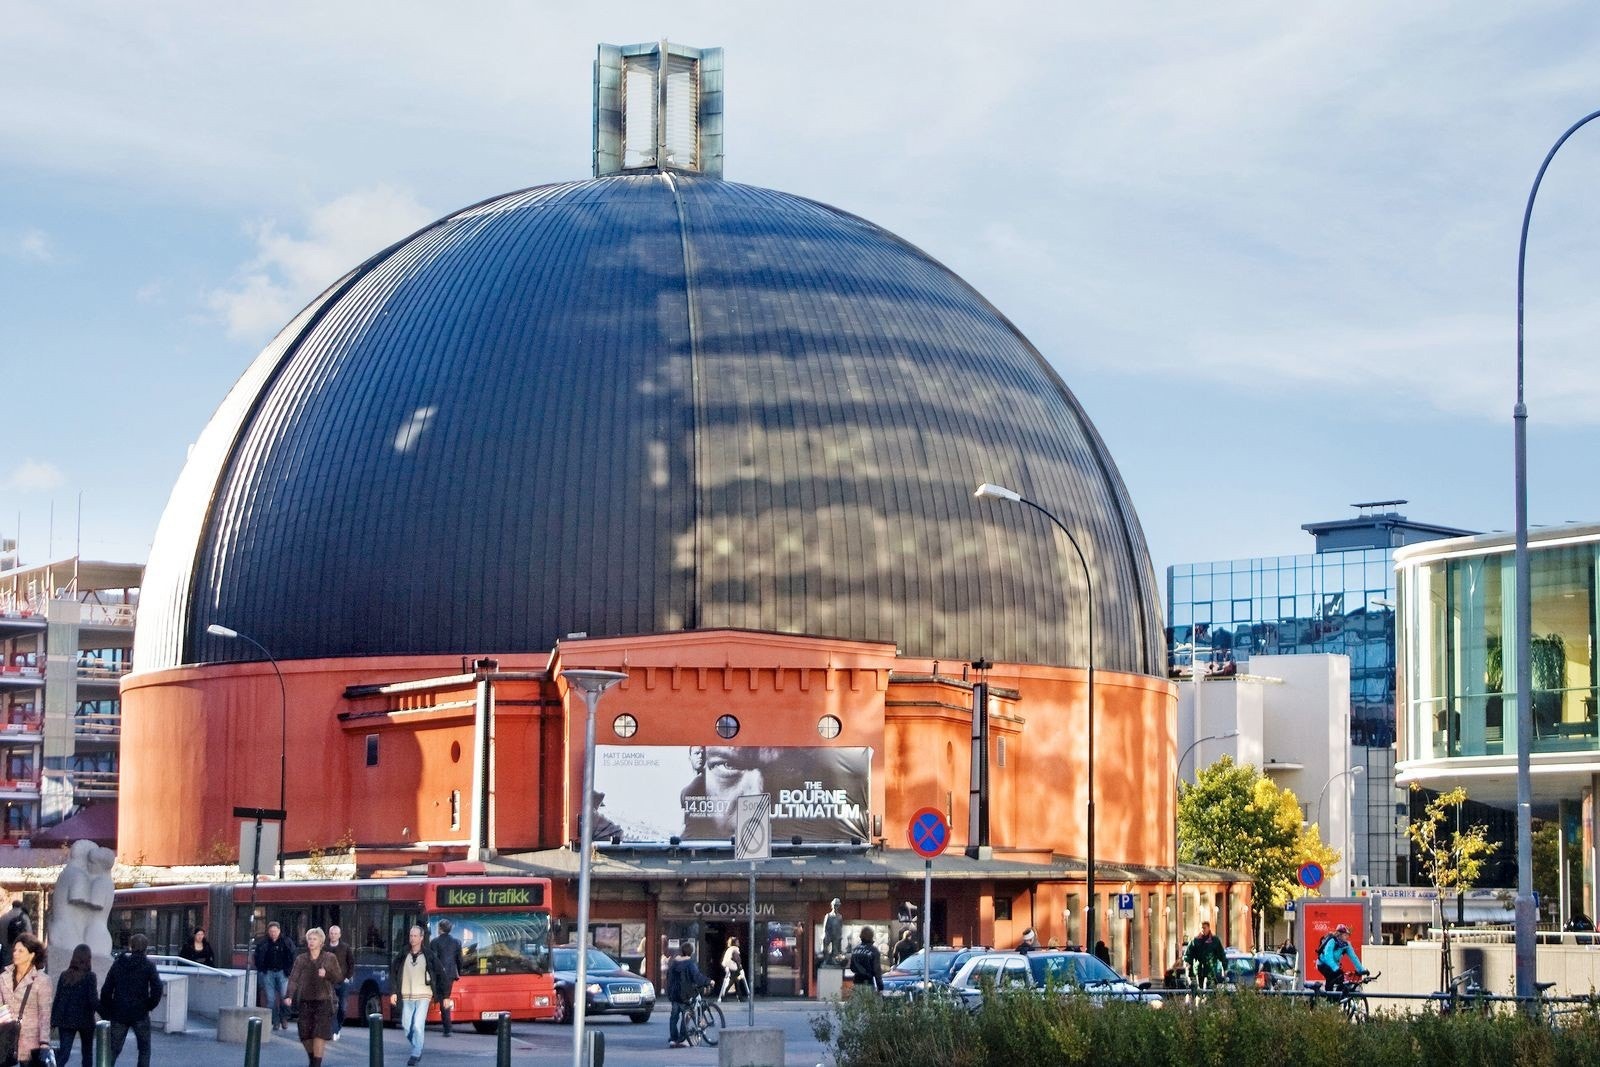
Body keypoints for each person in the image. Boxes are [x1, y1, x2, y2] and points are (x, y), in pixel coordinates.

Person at [284, 927, 344, 1067]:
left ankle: (316, 1064)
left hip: (324, 1001)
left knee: (319, 1034)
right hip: (305, 1001)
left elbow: (338, 978)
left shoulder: (329, 958)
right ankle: (313, 1059)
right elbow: (293, 978)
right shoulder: (301, 959)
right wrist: (289, 995)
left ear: (321, 942)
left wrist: (327, 974)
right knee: (305, 1035)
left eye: (314, 939)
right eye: (309, 939)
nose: (311, 942)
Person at [99, 932, 161, 1067]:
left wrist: (110, 1008)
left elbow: (106, 990)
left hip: (119, 1012)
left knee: (112, 1050)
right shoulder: (148, 965)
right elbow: (157, 989)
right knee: (144, 1049)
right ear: (146, 948)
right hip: (140, 1012)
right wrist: (149, 1005)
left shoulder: (118, 964)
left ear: (131, 946)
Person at [389, 925, 441, 1067]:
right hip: (407, 995)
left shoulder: (429, 954)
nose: (412, 939)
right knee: (406, 1025)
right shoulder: (403, 953)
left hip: (424, 994)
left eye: (415, 936)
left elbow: (440, 973)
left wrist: (444, 995)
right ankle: (417, 1045)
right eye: (411, 936)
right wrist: (393, 992)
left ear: (421, 938)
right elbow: (393, 971)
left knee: (418, 1025)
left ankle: (416, 1053)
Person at [1, 933, 52, 1067]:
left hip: (31, 1045)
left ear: (31, 955)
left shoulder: (42, 980)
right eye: (15, 950)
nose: (15, 954)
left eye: (21, 951)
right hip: (6, 1041)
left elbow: (44, 1014)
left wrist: (44, 1043)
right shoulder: (3, 978)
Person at [52, 943, 99, 1067]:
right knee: (87, 1055)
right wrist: (106, 1013)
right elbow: (93, 1000)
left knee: (64, 1054)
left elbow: (58, 999)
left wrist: (53, 1021)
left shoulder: (65, 976)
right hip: (85, 1020)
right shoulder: (90, 977)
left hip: (66, 1019)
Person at [665, 942, 708, 1049]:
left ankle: (673, 1039)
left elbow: (668, 978)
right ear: (691, 952)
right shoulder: (690, 964)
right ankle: (682, 1039)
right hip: (685, 995)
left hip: (674, 995)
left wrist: (669, 992)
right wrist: (708, 981)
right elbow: (697, 977)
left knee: (674, 1018)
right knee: (686, 1017)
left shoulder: (673, 963)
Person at [254, 921, 296, 1030]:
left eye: (275, 931)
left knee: (284, 997)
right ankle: (275, 1021)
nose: (273, 933)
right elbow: (257, 956)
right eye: (271, 931)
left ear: (279, 931)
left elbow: (293, 955)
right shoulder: (263, 942)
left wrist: (289, 970)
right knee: (270, 999)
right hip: (268, 972)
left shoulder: (286, 941)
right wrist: (261, 968)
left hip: (283, 972)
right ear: (268, 931)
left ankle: (284, 1018)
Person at [429, 919, 463, 1037]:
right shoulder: (456, 942)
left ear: (440, 929)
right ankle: (447, 1027)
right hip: (450, 975)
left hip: (439, 974)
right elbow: (459, 960)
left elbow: (433, 959)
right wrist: (458, 972)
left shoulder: (435, 942)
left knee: (441, 997)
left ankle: (447, 1027)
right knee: (445, 997)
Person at [1315, 923, 1369, 996]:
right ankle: (1330, 998)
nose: (1347, 937)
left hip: (1333, 965)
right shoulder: (1332, 941)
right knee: (1332, 977)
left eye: (1348, 935)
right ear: (1339, 934)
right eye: (1345, 935)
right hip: (1322, 963)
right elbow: (1328, 956)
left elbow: (1354, 957)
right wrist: (1335, 968)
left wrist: (1361, 970)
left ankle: (1336, 998)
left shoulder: (1346, 945)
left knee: (1341, 980)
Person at [325, 925, 354, 1041]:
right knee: (331, 1007)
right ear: (329, 935)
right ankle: (334, 1030)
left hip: (343, 981)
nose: (333, 936)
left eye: (336, 934)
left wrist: (348, 977)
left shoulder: (345, 948)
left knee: (343, 1007)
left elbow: (351, 963)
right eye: (332, 933)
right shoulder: (325, 948)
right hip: (329, 982)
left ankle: (338, 1027)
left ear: (339, 935)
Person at [1184, 921, 1226, 990]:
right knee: (1199, 989)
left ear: (1208, 928)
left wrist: (1224, 968)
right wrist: (1188, 965)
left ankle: (1209, 995)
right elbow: (1188, 954)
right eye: (1201, 928)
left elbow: (1221, 954)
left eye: (1204, 928)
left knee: (1210, 988)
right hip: (1199, 969)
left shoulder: (1215, 940)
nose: (1203, 930)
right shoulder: (1195, 940)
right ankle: (1200, 995)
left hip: (1211, 969)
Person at [848, 927, 883, 993]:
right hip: (868, 982)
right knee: (867, 999)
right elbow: (877, 970)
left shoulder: (855, 949)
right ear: (871, 936)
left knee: (857, 999)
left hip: (857, 982)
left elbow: (852, 967)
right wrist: (880, 986)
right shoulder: (873, 950)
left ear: (861, 936)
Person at [0, 894, 32, 960]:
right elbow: (29, 933)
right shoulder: (24, 917)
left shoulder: (3, 917)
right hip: (20, 950)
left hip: (5, 950)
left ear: (13, 906)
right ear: (21, 906)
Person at [718, 936, 747, 1003]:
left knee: (736, 981)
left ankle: (739, 996)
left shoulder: (729, 949)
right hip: (733, 967)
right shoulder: (735, 949)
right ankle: (723, 995)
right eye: (737, 942)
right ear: (734, 943)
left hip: (728, 966)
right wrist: (739, 967)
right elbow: (737, 959)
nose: (738, 943)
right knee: (732, 981)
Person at [820, 898, 844, 964]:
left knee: (835, 950)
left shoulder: (840, 916)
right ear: (832, 905)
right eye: (834, 905)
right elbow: (825, 927)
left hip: (836, 935)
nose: (835, 907)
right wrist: (825, 935)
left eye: (837, 905)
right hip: (828, 935)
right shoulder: (828, 916)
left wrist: (840, 936)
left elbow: (840, 927)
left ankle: (833, 960)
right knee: (825, 949)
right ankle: (826, 960)